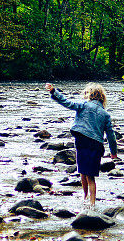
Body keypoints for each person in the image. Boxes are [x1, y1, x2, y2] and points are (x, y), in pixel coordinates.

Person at [45, 82, 118, 210]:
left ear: (88, 95)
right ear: (102, 98)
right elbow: (111, 135)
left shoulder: (84, 105)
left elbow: (67, 103)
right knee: (91, 175)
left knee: (82, 170)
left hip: (82, 140)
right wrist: (113, 153)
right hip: (96, 144)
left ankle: (85, 197)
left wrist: (53, 92)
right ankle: (92, 203)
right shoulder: (105, 114)